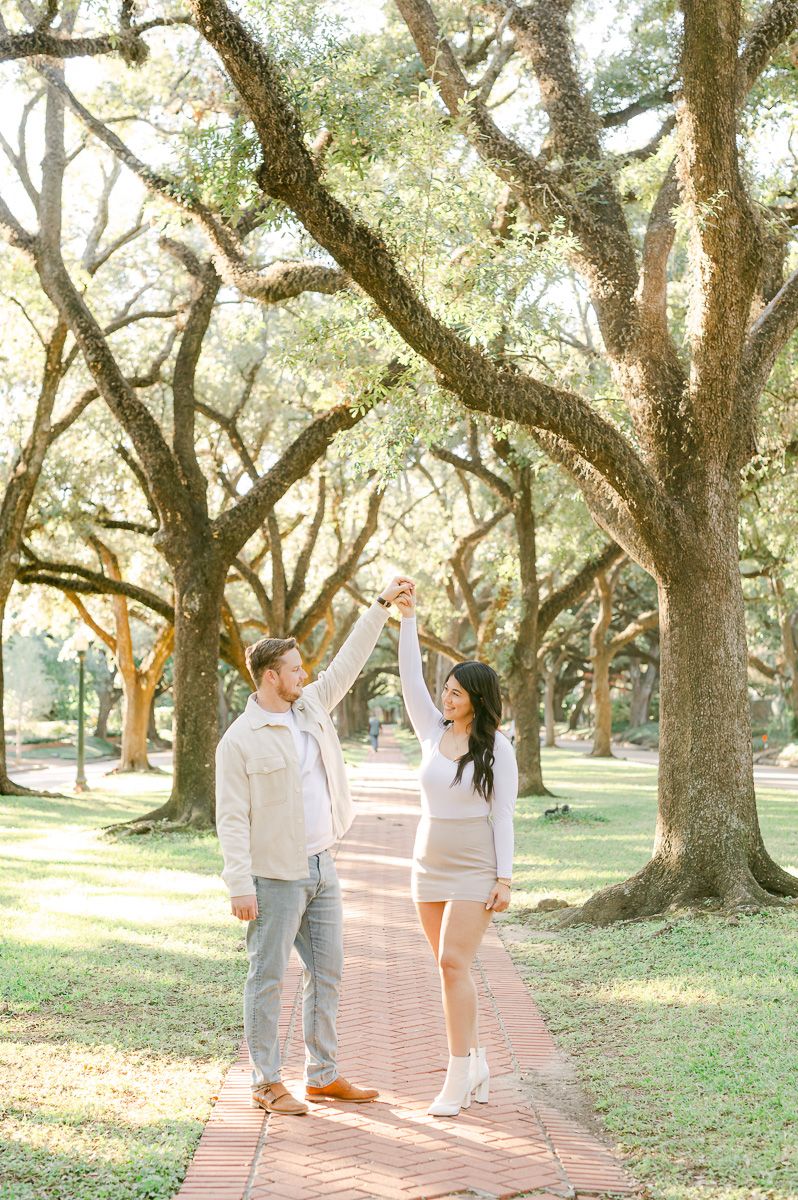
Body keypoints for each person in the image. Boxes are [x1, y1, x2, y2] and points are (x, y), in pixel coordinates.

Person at [216, 577, 412, 1116]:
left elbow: (348, 662)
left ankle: (322, 1076)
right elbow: (231, 818)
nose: (306, 675)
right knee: (268, 976)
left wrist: (380, 608)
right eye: (296, 670)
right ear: (270, 677)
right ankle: (264, 1081)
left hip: (324, 865)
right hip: (274, 876)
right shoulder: (240, 739)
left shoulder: (312, 708)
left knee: (327, 973)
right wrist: (239, 884)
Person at [396, 584, 517, 1117]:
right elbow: (407, 680)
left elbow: (504, 815)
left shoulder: (498, 748)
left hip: (474, 863)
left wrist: (505, 877)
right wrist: (407, 620)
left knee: (452, 961)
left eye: (456, 693)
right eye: (444, 689)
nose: (446, 698)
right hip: (428, 859)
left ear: (478, 700)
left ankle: (457, 1076)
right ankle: (478, 1061)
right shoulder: (430, 731)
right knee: (451, 972)